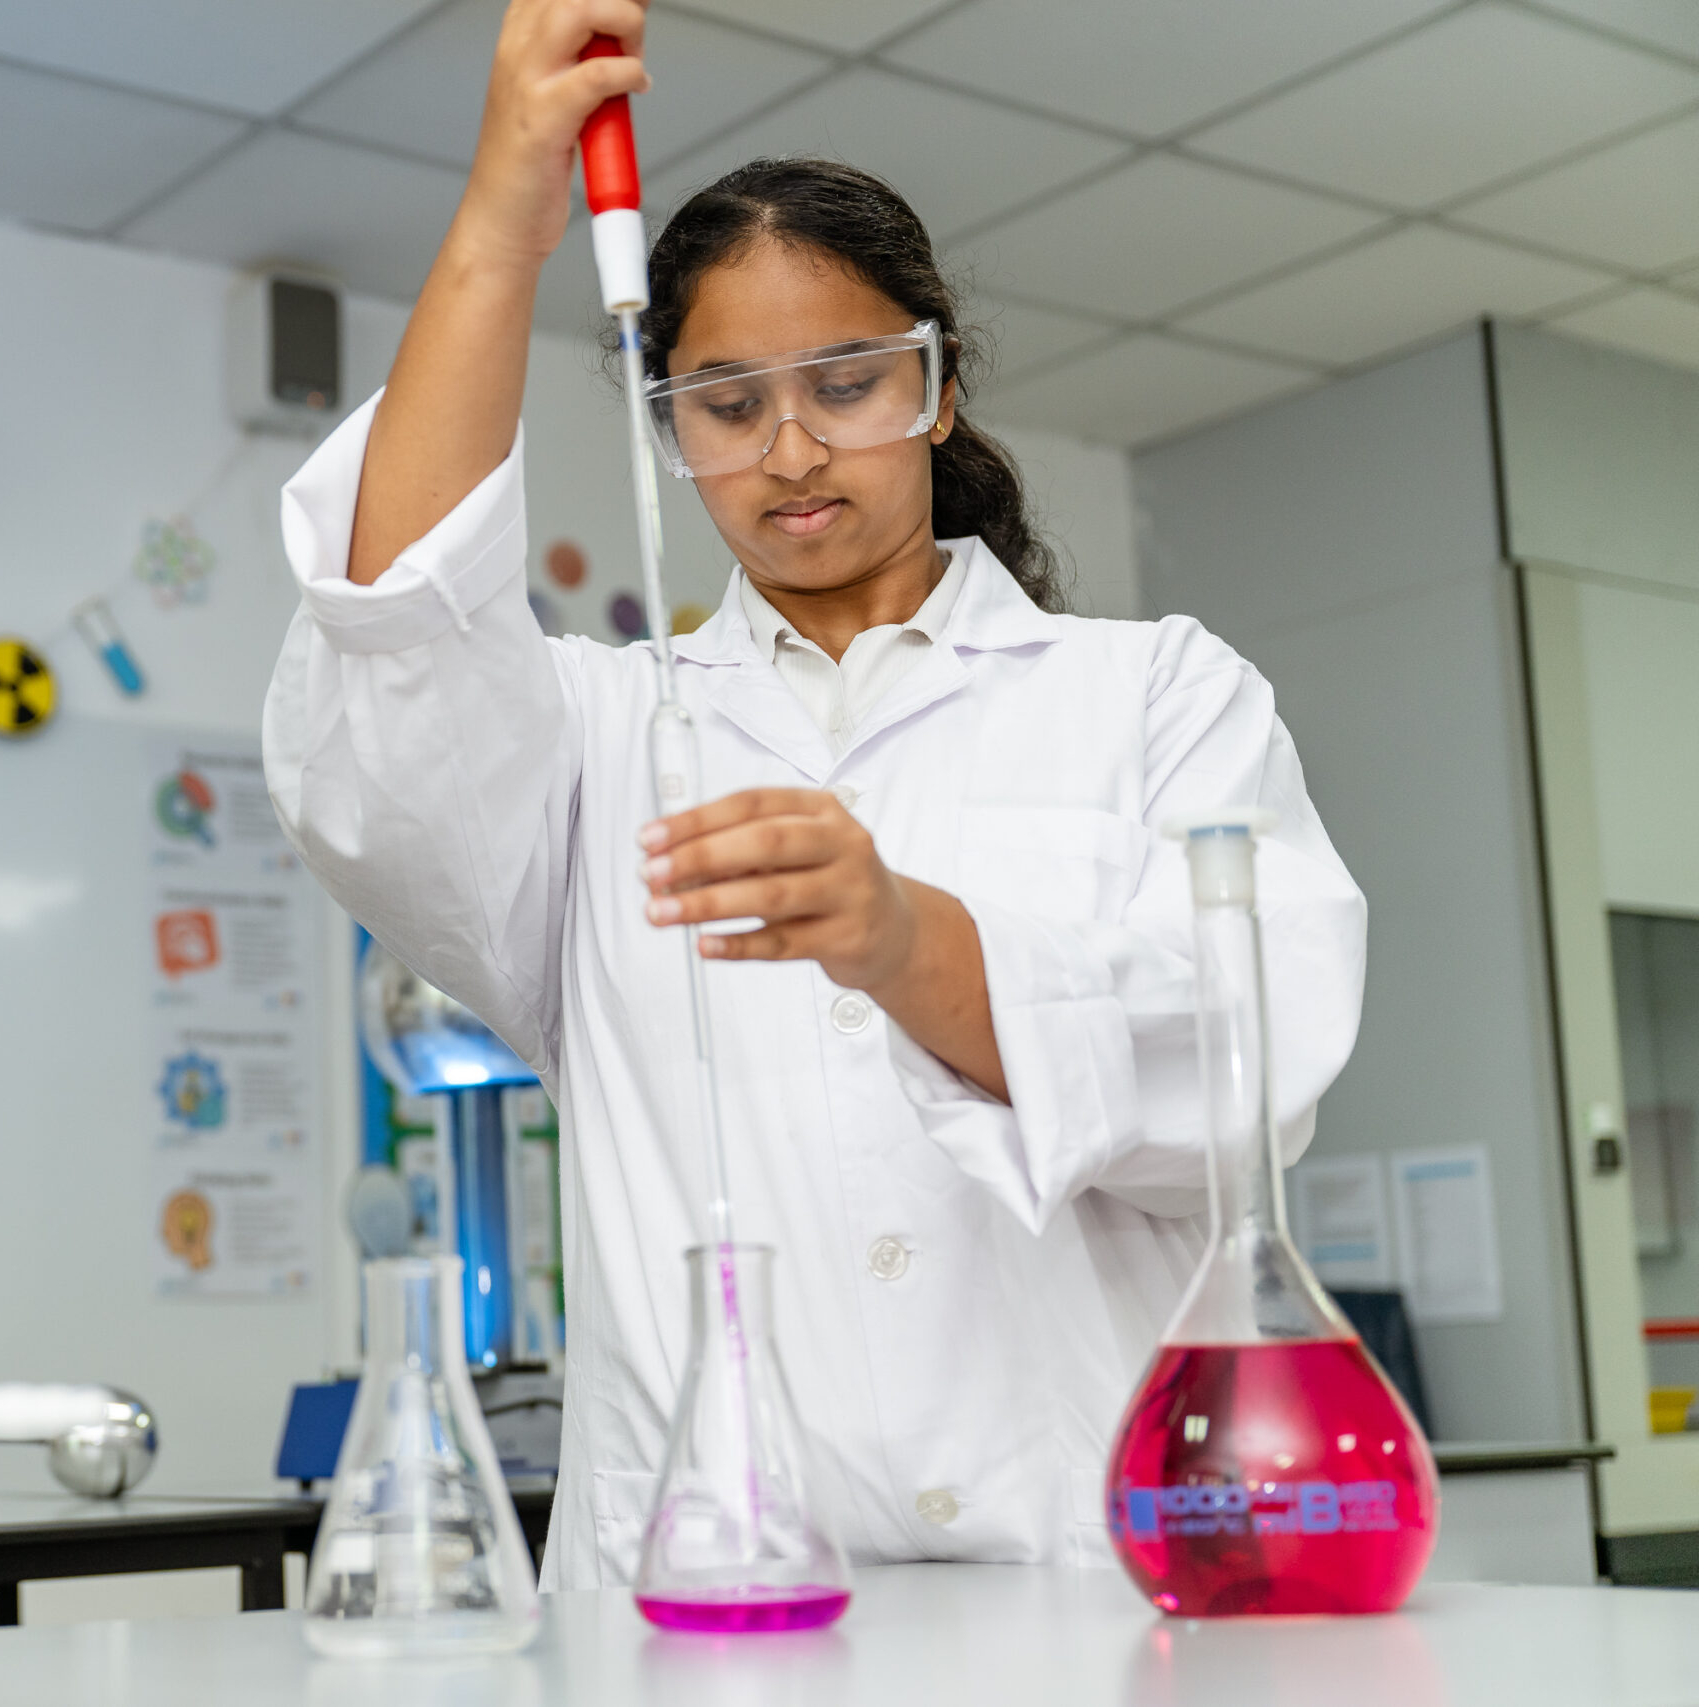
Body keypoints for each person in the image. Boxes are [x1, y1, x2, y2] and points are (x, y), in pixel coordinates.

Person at [264, 0, 1366, 1586]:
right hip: (704, 1603)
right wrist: (509, 202)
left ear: (938, 384)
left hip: (1083, 1589)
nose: (789, 451)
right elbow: (397, 643)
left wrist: (904, 940)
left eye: (845, 384)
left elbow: (1247, 1069)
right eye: (726, 405)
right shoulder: (597, 738)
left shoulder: (1156, 697)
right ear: (670, 426)